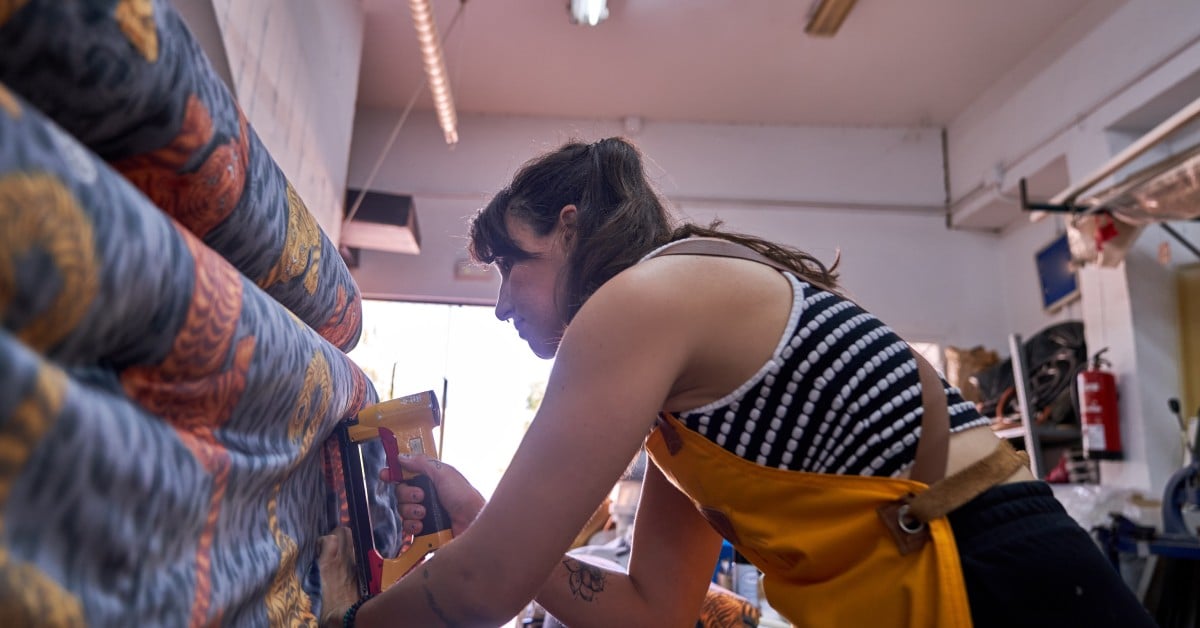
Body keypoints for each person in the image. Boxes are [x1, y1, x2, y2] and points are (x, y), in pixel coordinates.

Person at [319, 137, 1157, 627]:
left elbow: (478, 591)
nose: (501, 305)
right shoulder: (683, 391)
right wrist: (481, 521)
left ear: (571, 229)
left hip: (1000, 577)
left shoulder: (639, 303)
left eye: (512, 265)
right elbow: (656, 611)